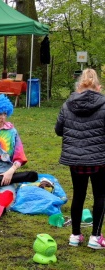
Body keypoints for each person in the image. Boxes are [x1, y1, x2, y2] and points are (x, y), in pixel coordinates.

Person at [55, 68, 105, 249]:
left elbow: (58, 130)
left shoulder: (67, 105)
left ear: (79, 86)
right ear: (98, 87)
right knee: (100, 195)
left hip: (75, 158)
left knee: (79, 194)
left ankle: (75, 235)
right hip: (99, 158)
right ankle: (95, 237)